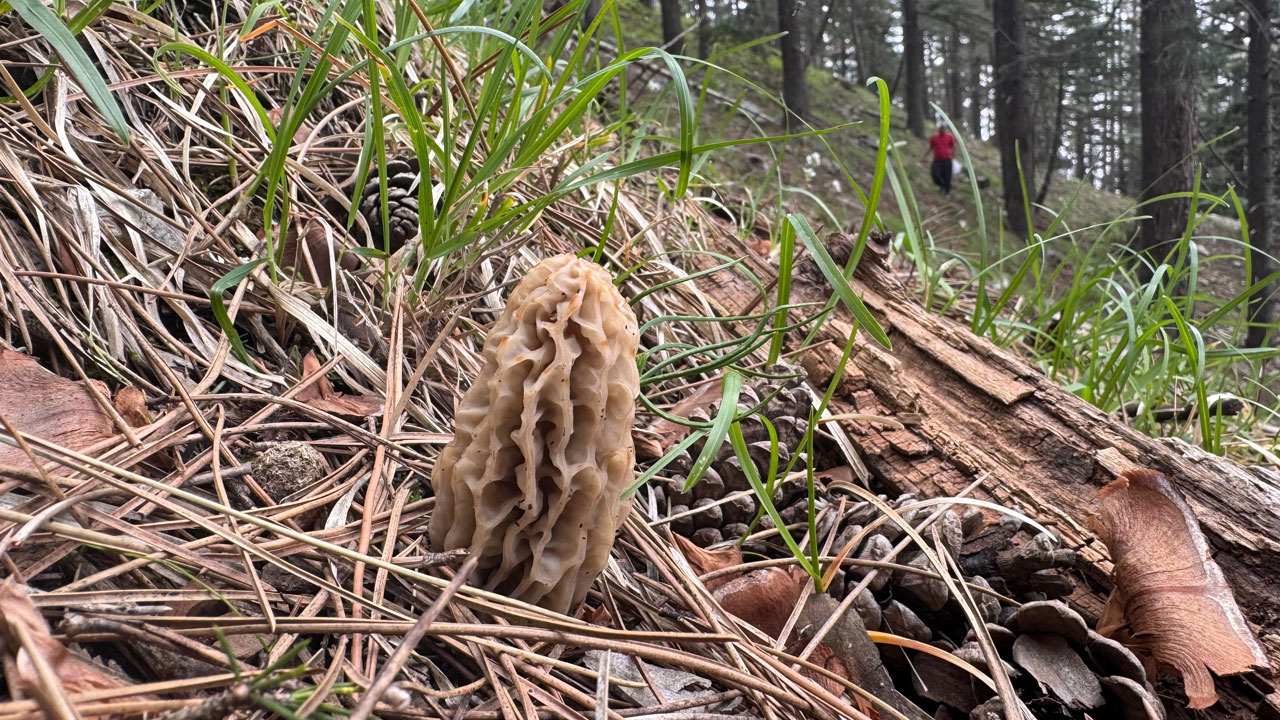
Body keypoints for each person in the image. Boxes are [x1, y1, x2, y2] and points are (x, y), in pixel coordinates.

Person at [922, 123, 957, 195]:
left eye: (944, 129)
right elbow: (930, 147)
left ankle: (946, 191)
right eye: (941, 129)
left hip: (947, 160)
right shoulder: (934, 137)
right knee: (935, 174)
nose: (942, 131)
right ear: (939, 129)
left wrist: (953, 156)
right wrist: (925, 156)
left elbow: (953, 146)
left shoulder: (949, 136)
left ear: (946, 130)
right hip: (937, 160)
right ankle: (941, 185)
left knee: (947, 176)